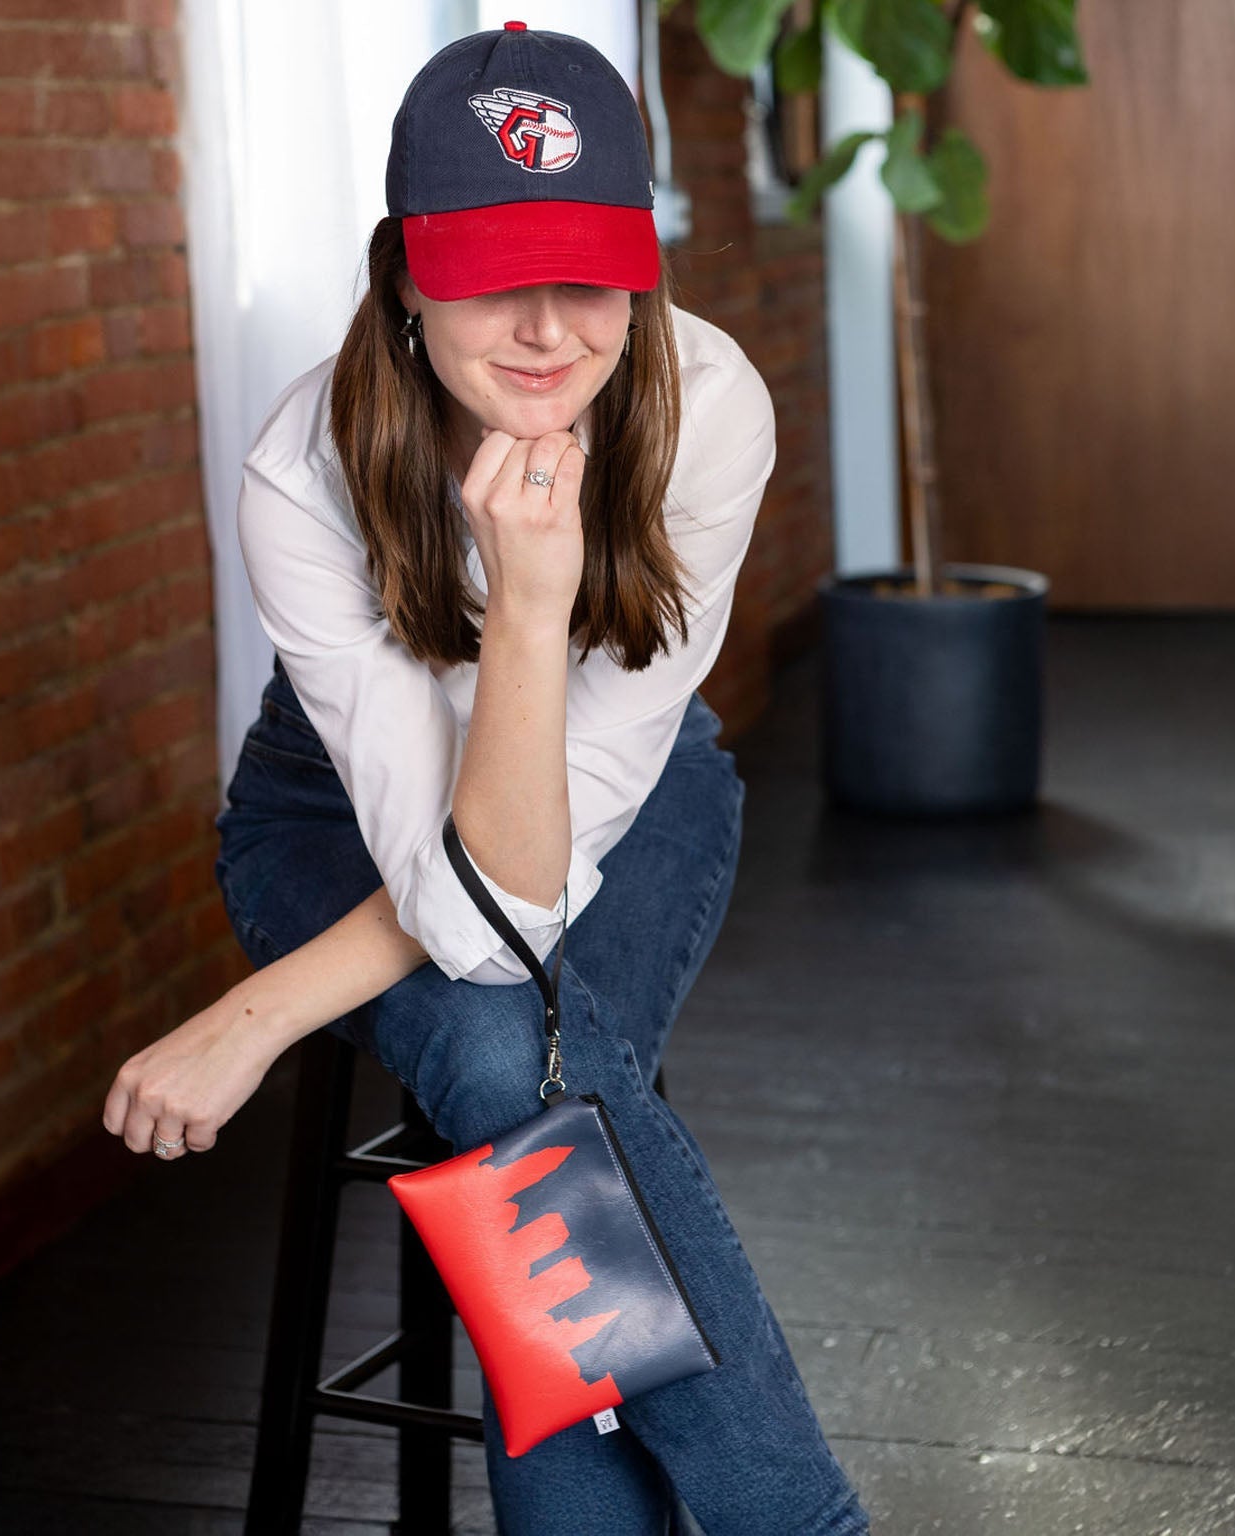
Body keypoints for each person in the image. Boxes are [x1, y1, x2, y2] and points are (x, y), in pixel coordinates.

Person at [102, 22, 870, 1536]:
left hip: (636, 797)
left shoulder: (709, 412)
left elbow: (512, 896)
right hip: (331, 817)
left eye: (587, 276)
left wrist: (252, 1018)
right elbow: (482, 922)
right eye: (492, 275)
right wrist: (522, 607)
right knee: (521, 1072)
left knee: (522, 1094)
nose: (543, 330)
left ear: (643, 270)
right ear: (405, 275)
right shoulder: (304, 473)